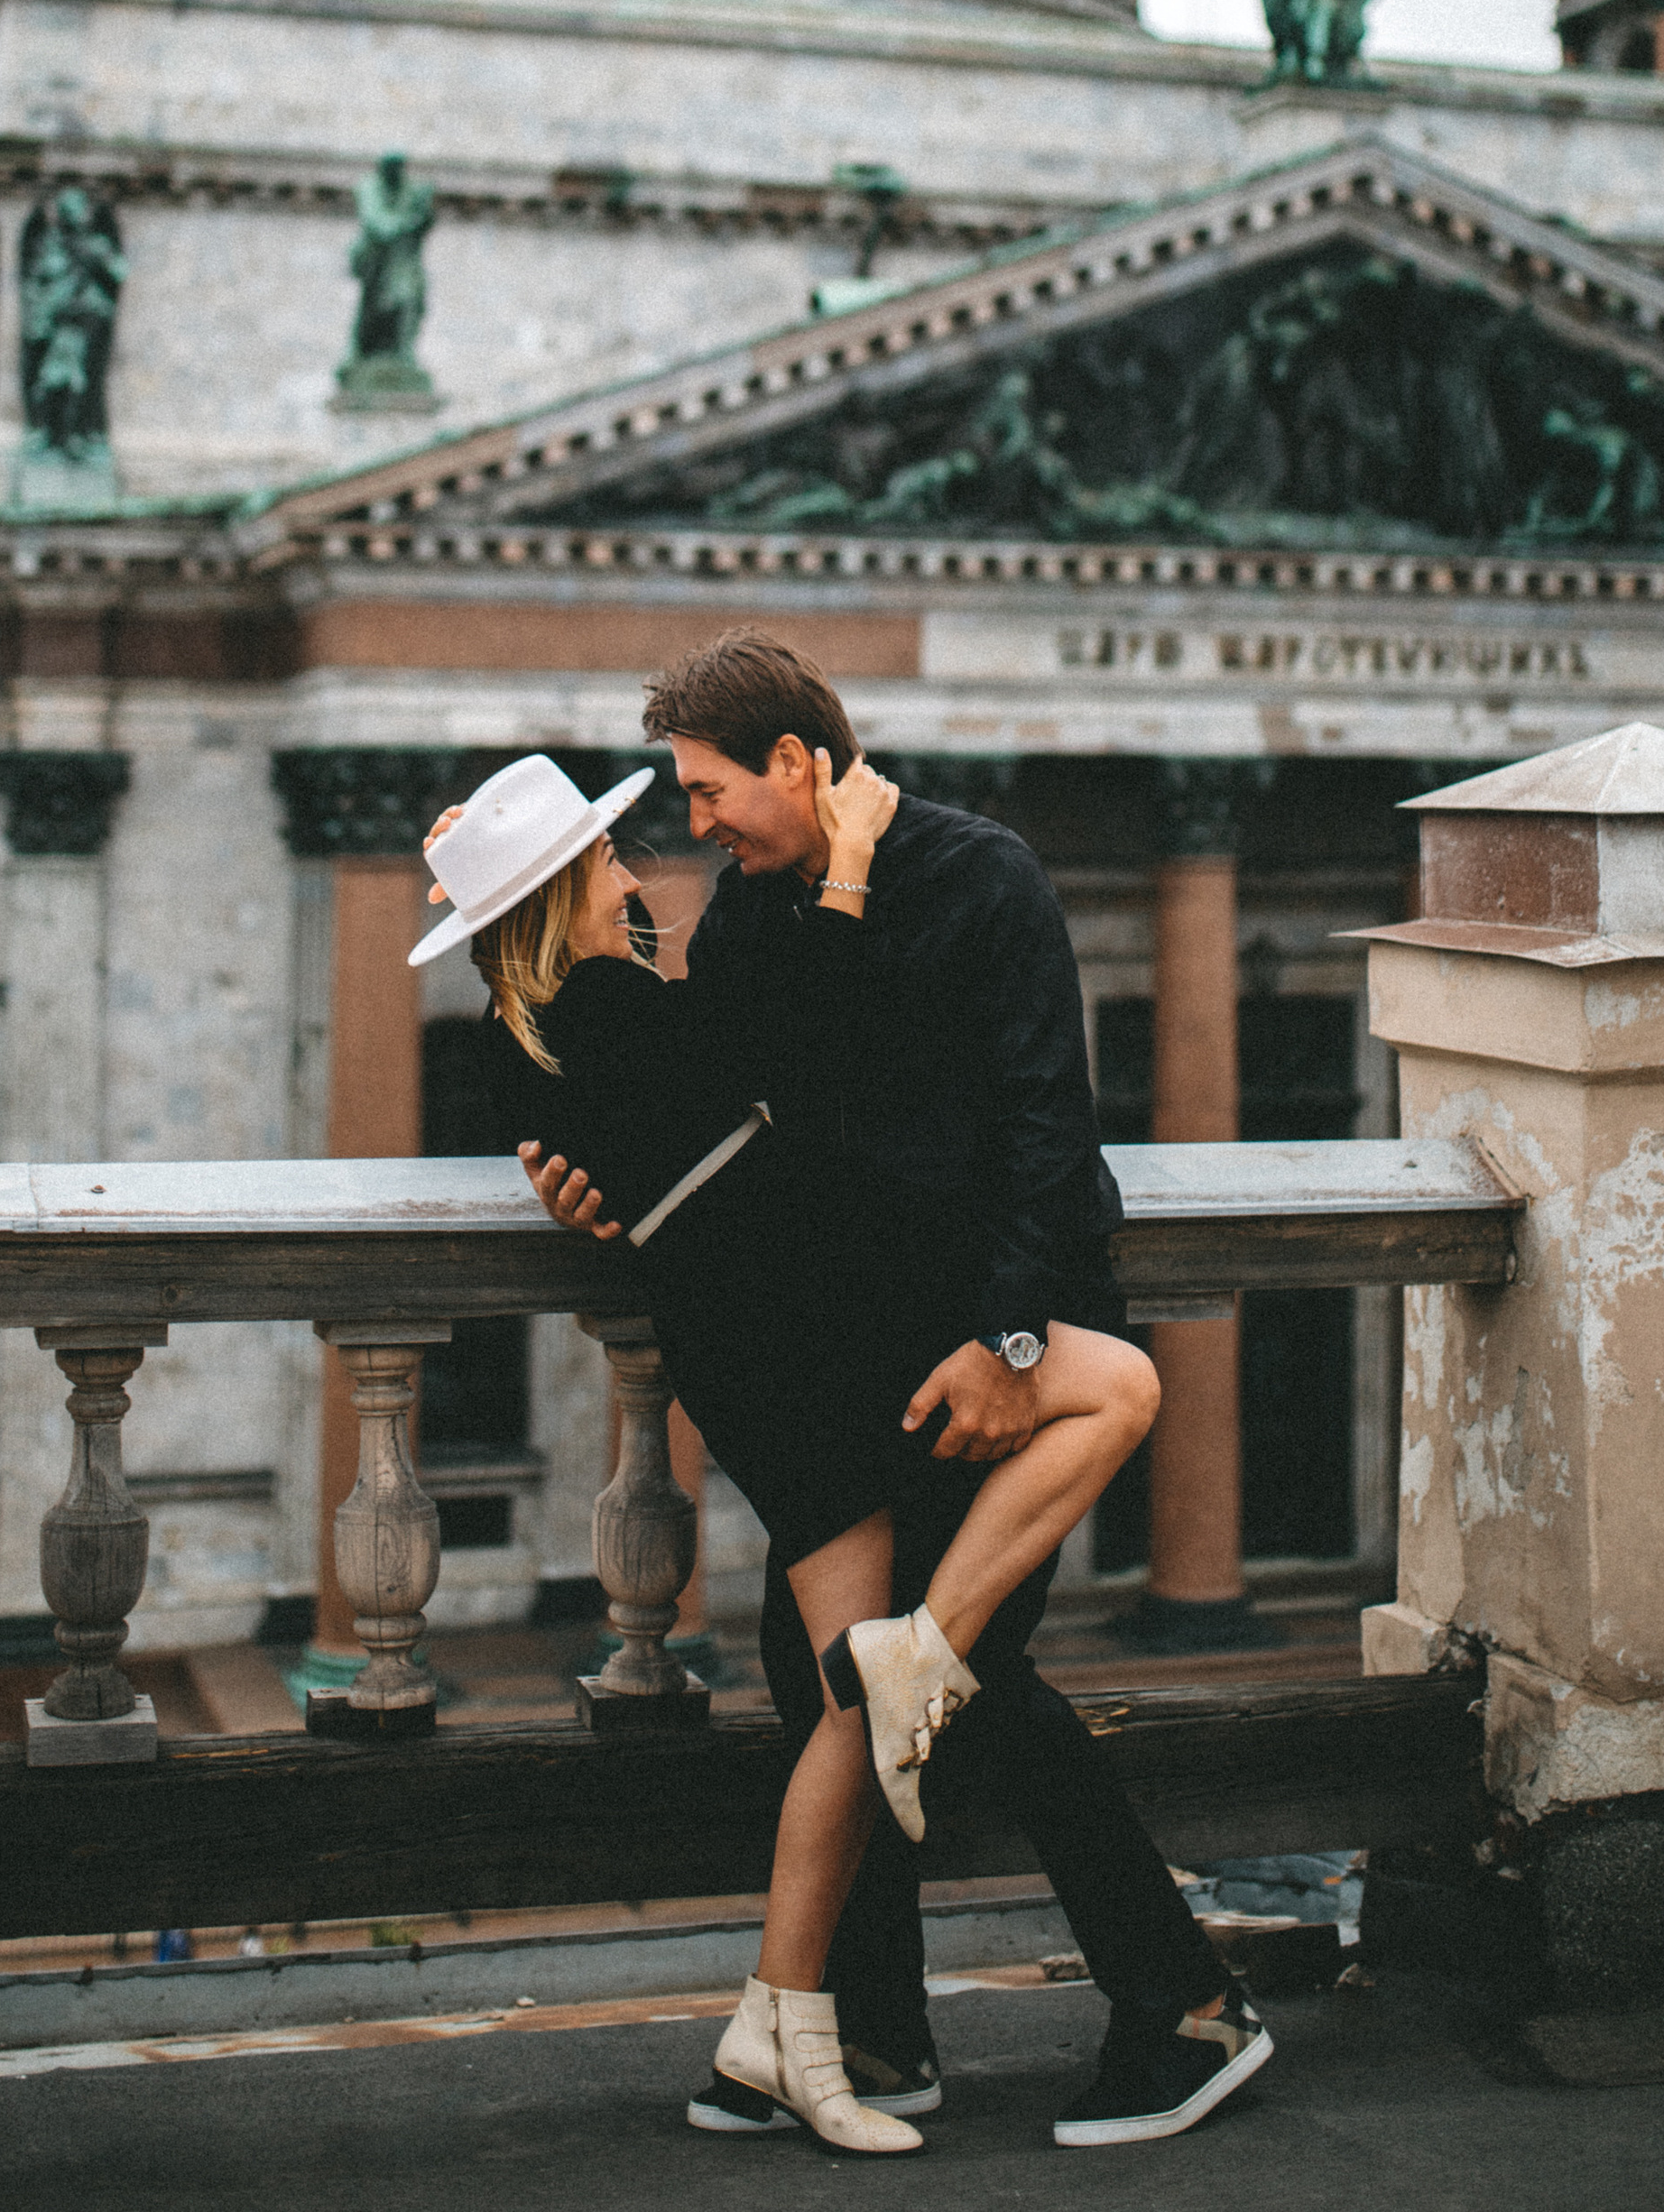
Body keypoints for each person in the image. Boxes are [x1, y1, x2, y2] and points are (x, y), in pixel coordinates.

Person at [509, 631, 1272, 2153]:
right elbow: (736, 1110)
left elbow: (1048, 1132)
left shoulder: (983, 877)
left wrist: (1008, 1346)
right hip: (861, 1353)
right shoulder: (748, 909)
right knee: (856, 1683)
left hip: (997, 1349)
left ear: (796, 763)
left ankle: (1183, 2009)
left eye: (710, 791)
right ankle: (881, 2032)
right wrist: (599, 1166)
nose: (693, 823)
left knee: (950, 1684)